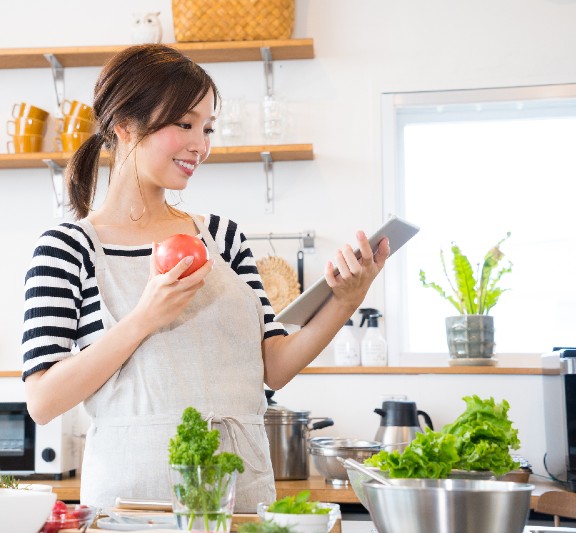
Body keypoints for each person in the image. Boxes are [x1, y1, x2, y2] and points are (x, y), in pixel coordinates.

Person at [22, 44, 389, 511]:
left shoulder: (222, 236)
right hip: (131, 510)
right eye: (185, 124)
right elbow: (42, 400)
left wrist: (346, 299)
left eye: (208, 127)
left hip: (241, 498)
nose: (202, 144)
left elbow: (273, 367)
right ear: (125, 126)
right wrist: (143, 318)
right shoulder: (67, 248)